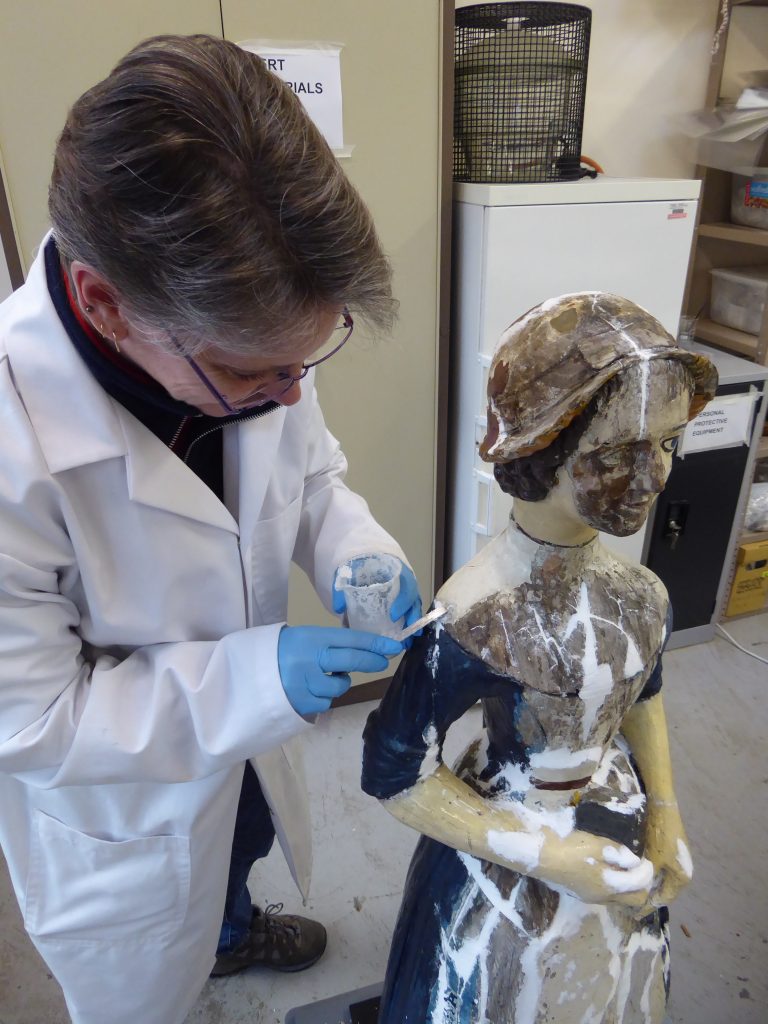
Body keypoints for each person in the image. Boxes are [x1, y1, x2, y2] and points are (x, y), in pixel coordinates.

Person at [0, 34, 422, 1024]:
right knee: (151, 988)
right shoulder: (14, 446)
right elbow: (31, 720)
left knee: (241, 840)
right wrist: (248, 679)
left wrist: (348, 540)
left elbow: (310, 473)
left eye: (306, 363)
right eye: (255, 376)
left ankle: (230, 927)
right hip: (123, 815)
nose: (290, 392)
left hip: (238, 760)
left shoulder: (242, 338)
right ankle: (190, 962)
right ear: (106, 304)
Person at [362, 293, 718, 1023]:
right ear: (539, 451)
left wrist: (667, 814)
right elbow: (392, 769)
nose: (653, 478)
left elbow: (642, 688)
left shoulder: (643, 595)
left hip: (613, 829)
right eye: (617, 453)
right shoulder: (477, 616)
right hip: (514, 845)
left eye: (669, 445)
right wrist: (550, 857)